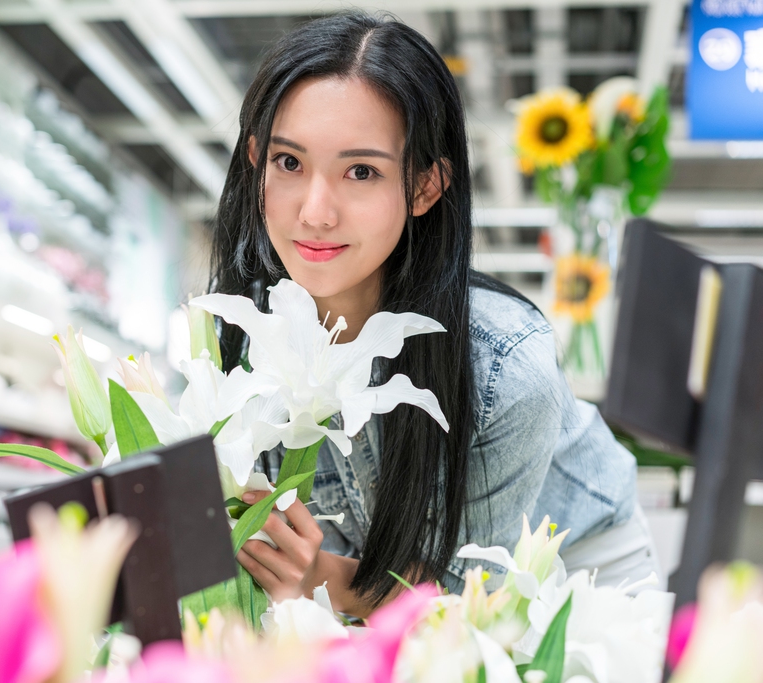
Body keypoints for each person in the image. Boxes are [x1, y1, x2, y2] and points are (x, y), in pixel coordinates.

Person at [208, 13, 660, 617]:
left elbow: (464, 603)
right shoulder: (242, 333)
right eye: (289, 163)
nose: (314, 212)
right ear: (257, 160)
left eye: (361, 171)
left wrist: (318, 576)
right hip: (362, 596)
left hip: (575, 589)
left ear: (425, 187)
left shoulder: (503, 368)